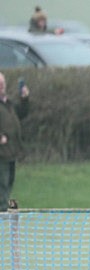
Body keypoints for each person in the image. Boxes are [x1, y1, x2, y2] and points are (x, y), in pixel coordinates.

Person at [0, 72, 30, 212]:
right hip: (1, 153)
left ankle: (4, 209)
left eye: (2, 83)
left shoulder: (8, 103)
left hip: (11, 151)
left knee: (9, 182)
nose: (1, 86)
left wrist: (24, 98)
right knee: (2, 183)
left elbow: (22, 113)